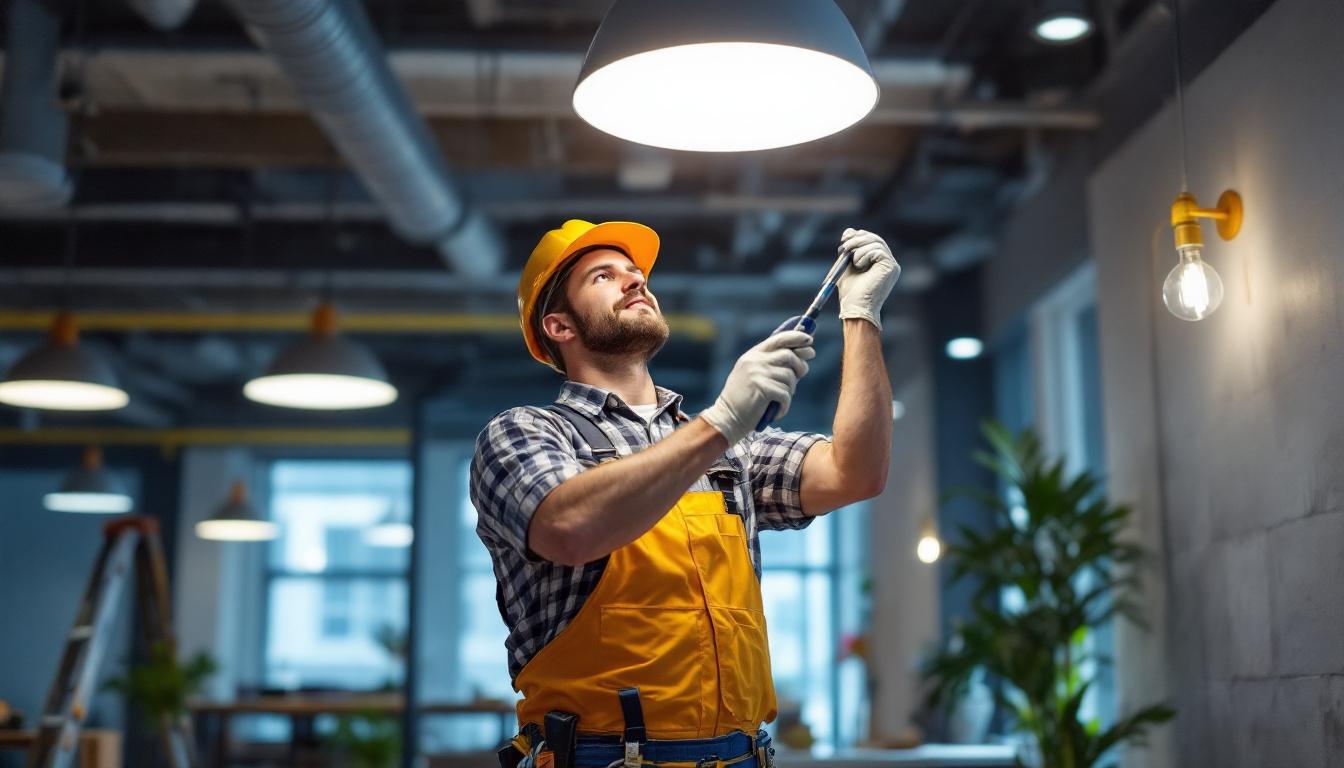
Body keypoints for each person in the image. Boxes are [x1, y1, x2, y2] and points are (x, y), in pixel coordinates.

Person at [470, 219, 898, 768]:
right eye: (604, 276)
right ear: (559, 325)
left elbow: (855, 471)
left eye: (637, 273)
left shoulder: (731, 454)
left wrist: (861, 317)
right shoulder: (525, 433)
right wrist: (722, 420)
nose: (635, 283)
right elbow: (568, 526)